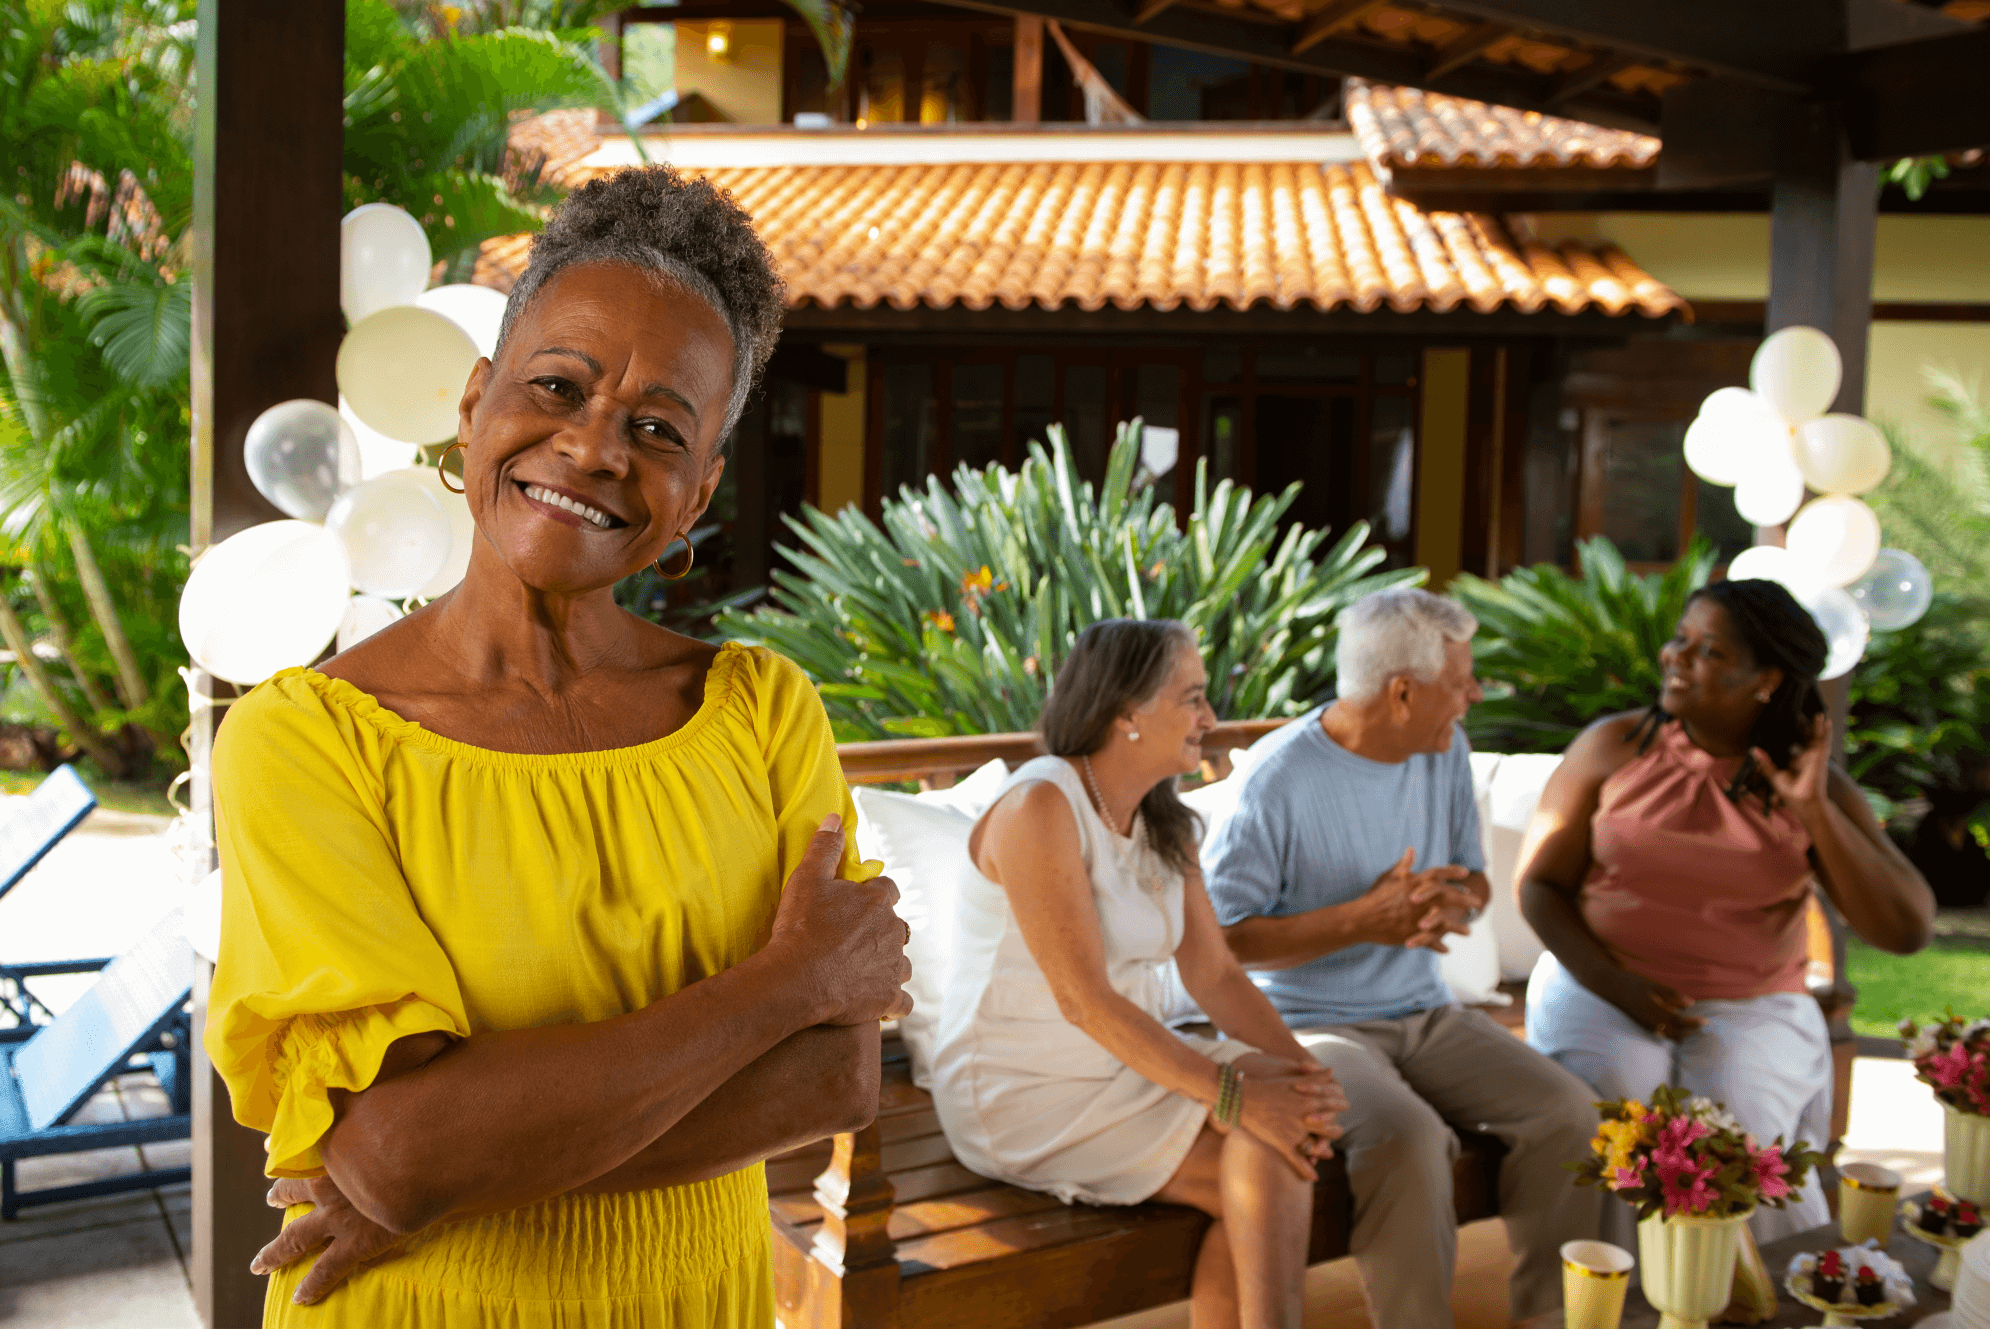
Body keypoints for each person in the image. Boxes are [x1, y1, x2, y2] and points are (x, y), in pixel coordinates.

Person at [204, 166, 913, 1327]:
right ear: (477, 401)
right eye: (556, 386)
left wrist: (445, 1172)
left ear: (697, 493)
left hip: (694, 1296)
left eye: (655, 428)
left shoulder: (762, 712)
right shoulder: (308, 740)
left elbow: (832, 1079)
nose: (591, 449)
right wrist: (783, 986)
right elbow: (398, 1153)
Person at [930, 619, 1347, 1329]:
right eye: (1193, 697)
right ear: (1127, 711)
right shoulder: (1041, 805)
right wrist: (1235, 1094)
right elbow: (1082, 999)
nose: (1210, 719)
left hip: (1130, 1065)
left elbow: (1215, 973)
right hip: (1024, 1089)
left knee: (1284, 1124)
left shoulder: (1165, 824)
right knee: (1267, 1147)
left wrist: (1305, 1073)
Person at [1203, 587, 1601, 1329]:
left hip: (1425, 1013)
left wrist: (1451, 902)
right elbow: (1226, 940)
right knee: (1411, 1138)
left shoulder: (1442, 748)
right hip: (1306, 1026)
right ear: (1402, 690)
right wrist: (1364, 919)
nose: (1474, 695)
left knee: (1568, 1111)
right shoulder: (1275, 780)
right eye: (1461, 681)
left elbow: (1473, 878)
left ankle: (1554, 1319)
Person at [1518, 578, 1934, 1243]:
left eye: (1706, 649)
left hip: (1751, 1002)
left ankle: (1756, 1299)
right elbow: (1539, 885)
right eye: (1679, 639)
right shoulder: (1615, 746)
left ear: (1764, 677)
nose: (1675, 657)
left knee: (1738, 1131)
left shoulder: (1810, 784)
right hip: (1597, 982)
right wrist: (1617, 984)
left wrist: (1815, 813)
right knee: (1622, 1111)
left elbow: (1907, 927)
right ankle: (1615, 1307)